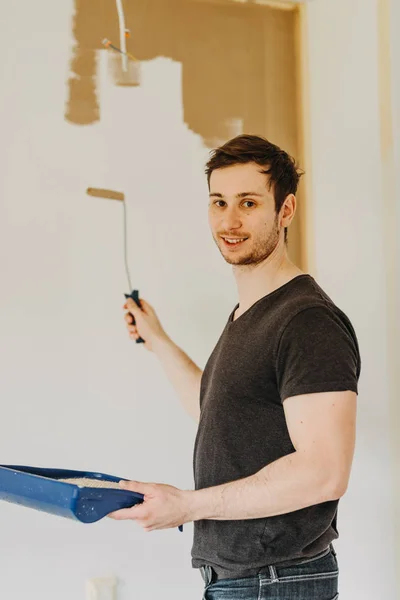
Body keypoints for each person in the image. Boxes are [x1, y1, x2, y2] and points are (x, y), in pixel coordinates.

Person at [109, 135, 361, 600]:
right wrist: (158, 341)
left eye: (248, 202)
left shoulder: (306, 320)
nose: (229, 220)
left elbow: (326, 471)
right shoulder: (250, 314)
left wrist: (186, 506)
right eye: (219, 202)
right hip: (246, 579)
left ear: (285, 211)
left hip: (275, 580)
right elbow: (217, 412)